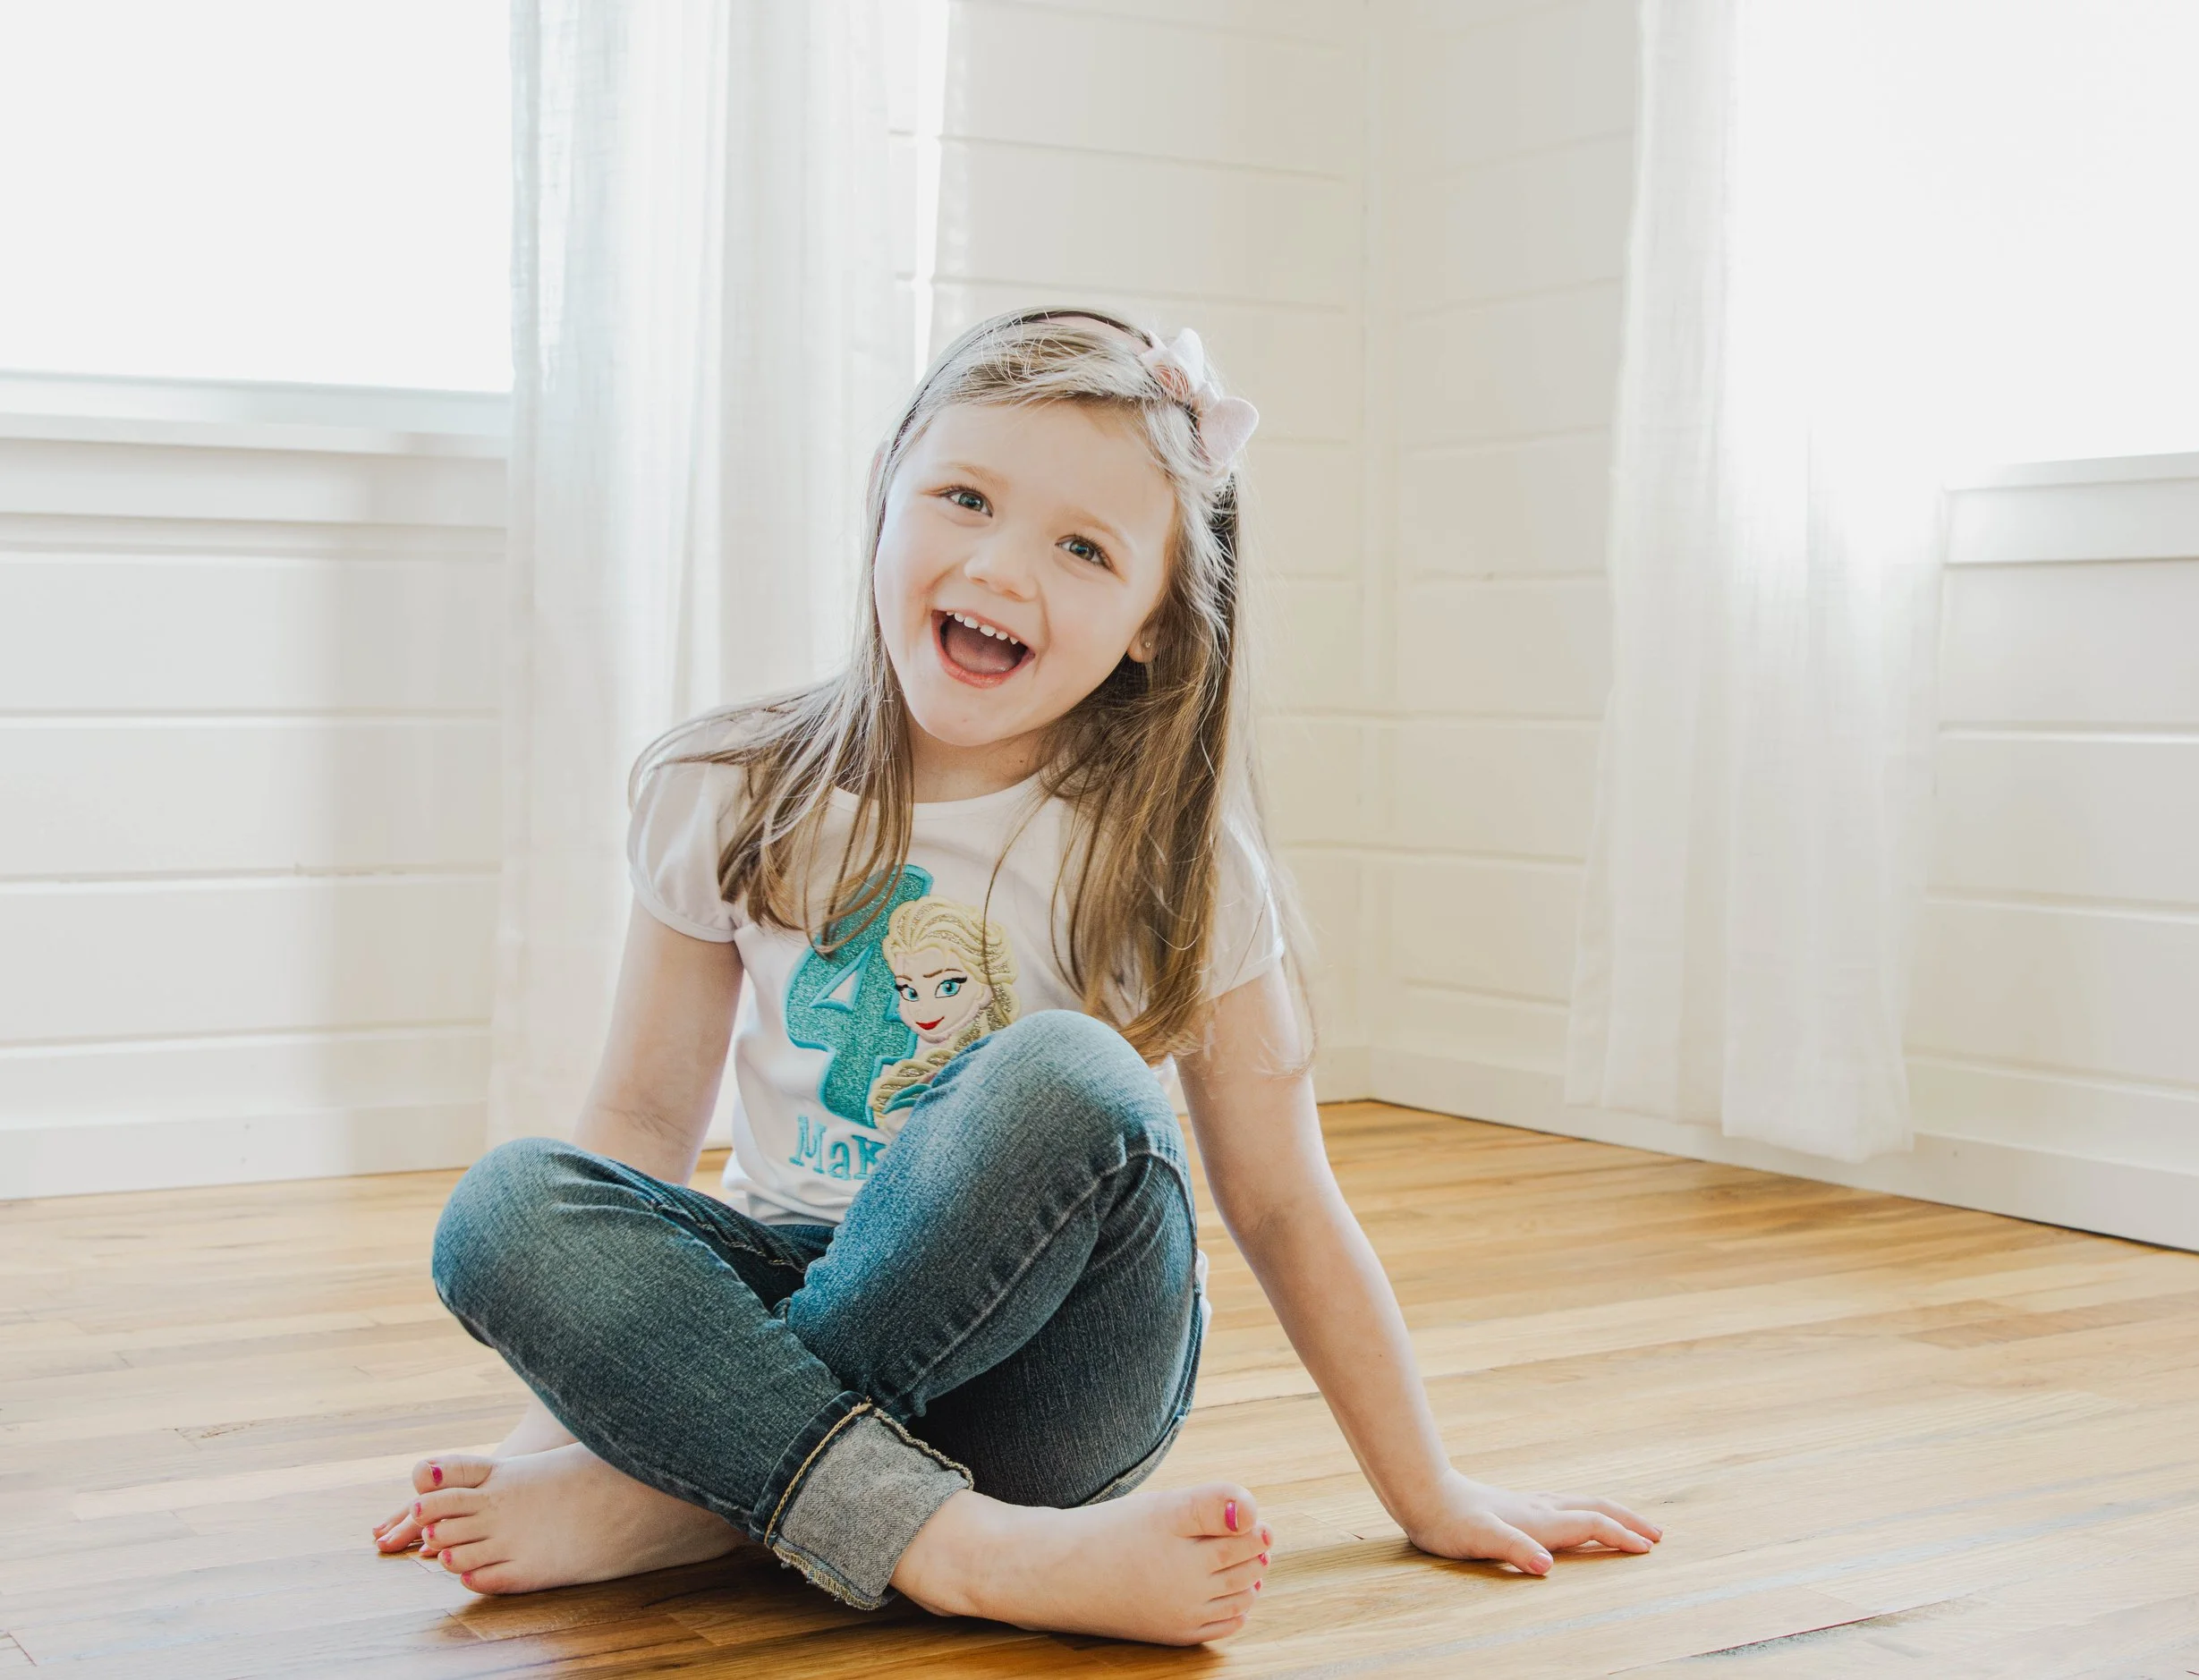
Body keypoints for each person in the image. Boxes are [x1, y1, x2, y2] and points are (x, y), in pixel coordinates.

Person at [369, 310, 1660, 1646]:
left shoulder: (1175, 857)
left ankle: (689, 1489)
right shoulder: (724, 790)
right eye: (966, 497)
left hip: (1047, 1375)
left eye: (1084, 548)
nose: (1000, 563)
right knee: (506, 1205)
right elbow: (641, 1129)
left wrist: (1428, 1486)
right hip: (792, 1285)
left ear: (1159, 625)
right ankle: (958, 1547)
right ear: (885, 502)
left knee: (1068, 1073)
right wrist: (559, 1434)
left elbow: (1280, 1200)